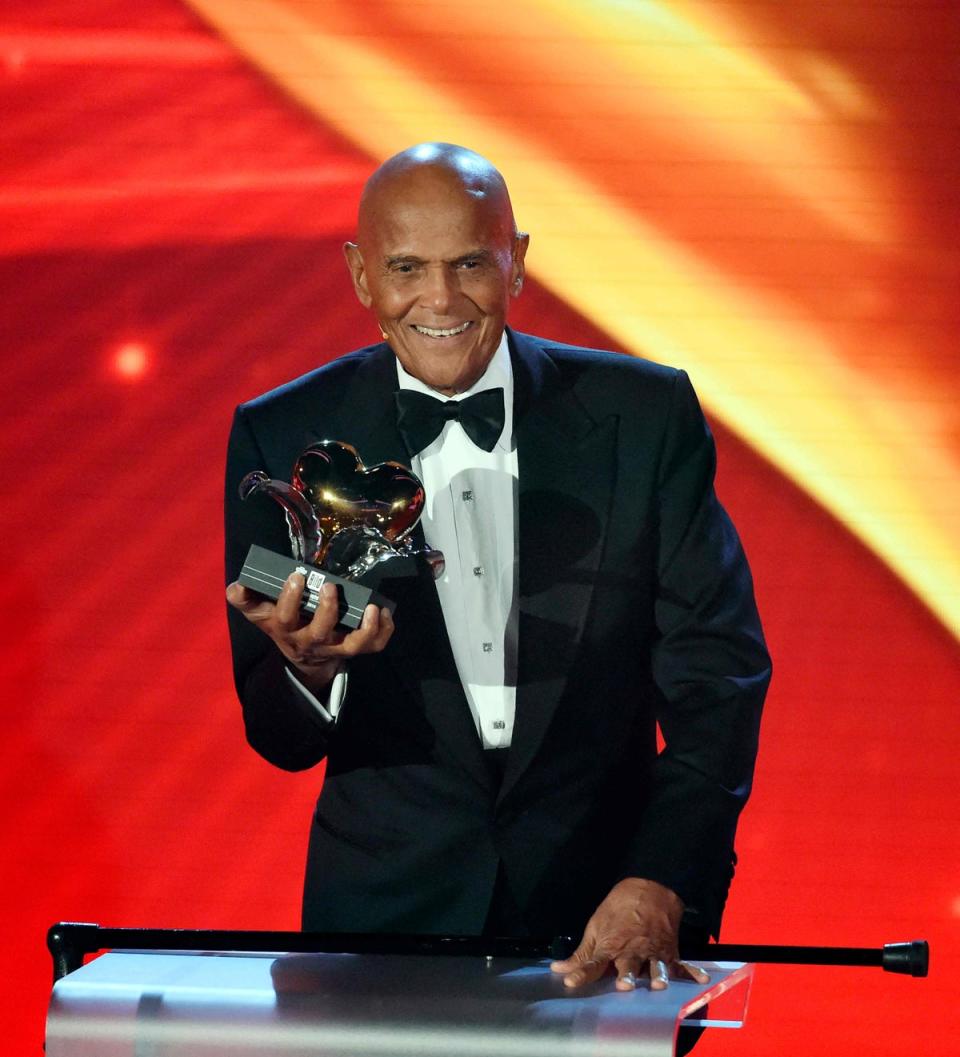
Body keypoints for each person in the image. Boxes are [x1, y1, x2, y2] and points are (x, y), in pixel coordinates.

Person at [225, 142, 770, 998]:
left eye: (471, 262)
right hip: (380, 940)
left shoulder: (643, 417)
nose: (439, 299)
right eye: (406, 267)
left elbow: (720, 676)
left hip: (605, 933)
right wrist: (309, 666)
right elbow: (278, 736)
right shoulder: (284, 438)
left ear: (517, 261)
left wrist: (665, 875)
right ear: (362, 275)